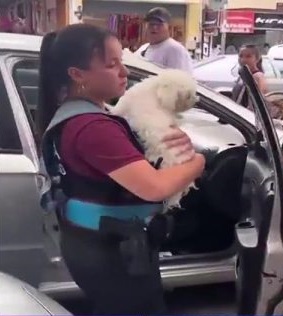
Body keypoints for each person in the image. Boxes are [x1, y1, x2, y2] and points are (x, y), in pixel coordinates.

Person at [37, 24, 205, 314]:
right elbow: (155, 187)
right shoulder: (93, 127)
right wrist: (197, 162)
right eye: (111, 65)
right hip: (115, 251)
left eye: (121, 62)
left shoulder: (83, 115)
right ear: (77, 75)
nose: (124, 73)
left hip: (96, 242)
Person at [135, 7, 193, 73]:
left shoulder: (175, 50)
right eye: (151, 24)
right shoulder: (143, 48)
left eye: (159, 24)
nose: (154, 27)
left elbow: (180, 80)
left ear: (169, 27)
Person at [232, 44, 268, 108]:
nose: (243, 59)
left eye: (248, 56)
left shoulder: (257, 76)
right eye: (240, 56)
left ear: (257, 59)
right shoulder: (243, 75)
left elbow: (257, 103)